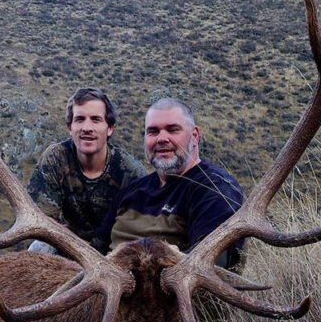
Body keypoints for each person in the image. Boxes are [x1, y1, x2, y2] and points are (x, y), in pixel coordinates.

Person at [93, 97, 244, 268]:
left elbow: (211, 263)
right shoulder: (132, 189)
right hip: (106, 286)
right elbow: (96, 250)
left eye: (173, 130)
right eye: (153, 131)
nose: (162, 139)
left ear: (194, 136)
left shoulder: (215, 188)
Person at [27, 87, 147, 251]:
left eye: (96, 119)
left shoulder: (131, 172)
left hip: (114, 252)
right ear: (70, 127)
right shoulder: (56, 158)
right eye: (80, 119)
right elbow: (41, 222)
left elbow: (137, 232)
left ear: (110, 128)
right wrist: (76, 244)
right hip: (68, 247)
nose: (87, 128)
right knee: (38, 248)